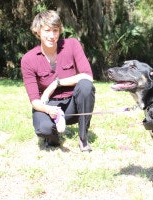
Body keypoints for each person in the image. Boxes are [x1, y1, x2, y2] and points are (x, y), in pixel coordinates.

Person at [21, 10, 95, 152]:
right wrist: (48, 109)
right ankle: (53, 137)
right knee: (44, 128)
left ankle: (83, 137)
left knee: (86, 86)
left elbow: (88, 76)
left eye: (55, 30)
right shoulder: (28, 59)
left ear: (60, 31)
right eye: (47, 30)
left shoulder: (72, 44)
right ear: (38, 31)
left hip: (73, 105)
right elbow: (35, 101)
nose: (51, 35)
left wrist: (56, 83)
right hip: (49, 104)